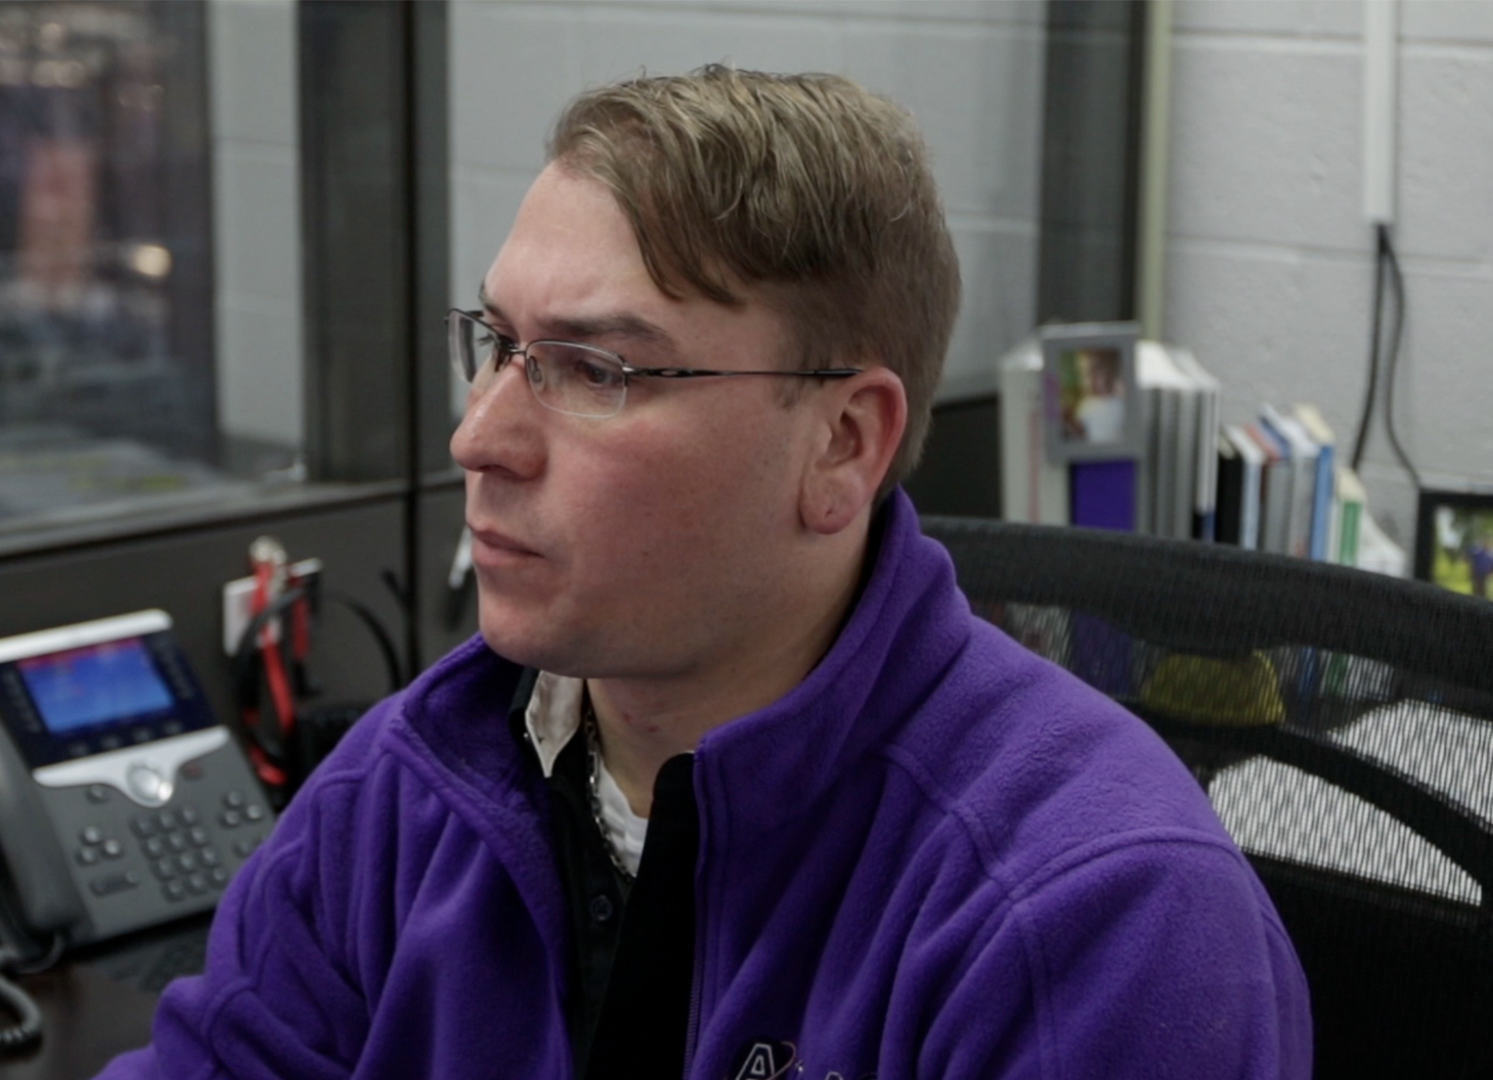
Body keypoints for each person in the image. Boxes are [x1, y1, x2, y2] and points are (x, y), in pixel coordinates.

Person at [99, 65, 1310, 1079]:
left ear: (841, 444)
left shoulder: (1098, 918)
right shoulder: (409, 790)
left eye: (595, 370)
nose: (480, 438)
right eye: (499, 346)